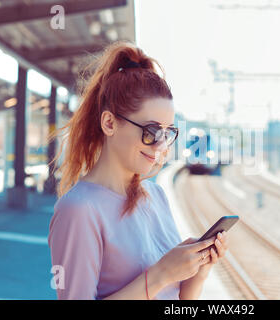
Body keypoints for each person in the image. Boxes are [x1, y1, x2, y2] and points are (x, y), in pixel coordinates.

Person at [47, 41, 229, 300]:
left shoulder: (156, 196)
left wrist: (195, 275)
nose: (161, 145)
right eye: (151, 132)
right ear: (109, 123)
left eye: (168, 134)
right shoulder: (79, 210)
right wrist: (161, 274)